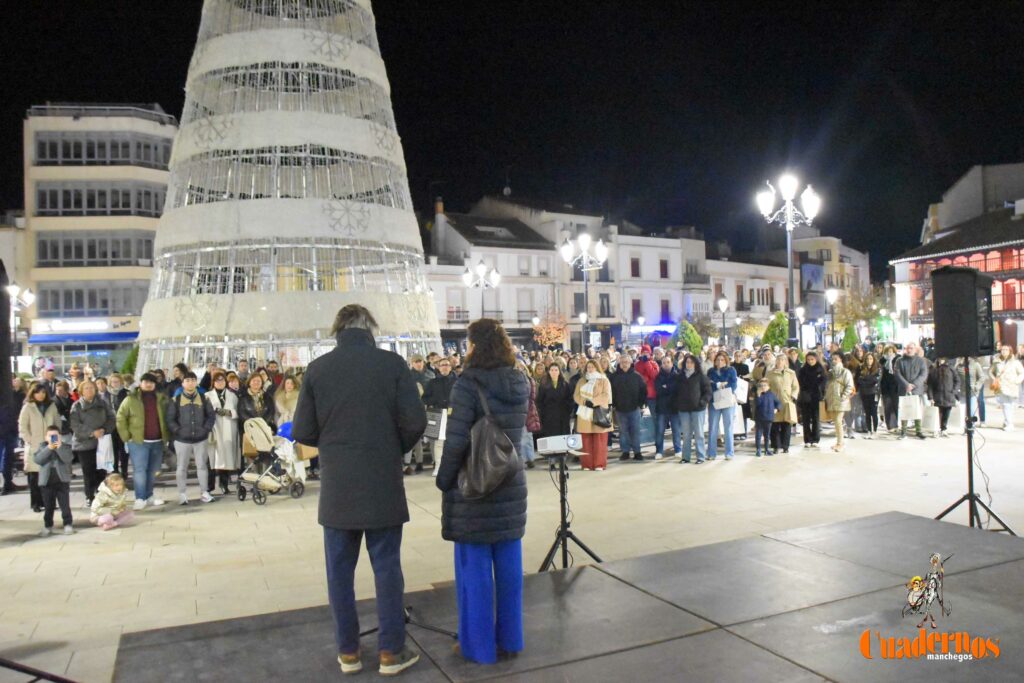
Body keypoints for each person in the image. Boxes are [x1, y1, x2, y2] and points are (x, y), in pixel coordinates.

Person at [292, 304, 425, 676]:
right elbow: (415, 421)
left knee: (339, 572)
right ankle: (391, 653)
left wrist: (334, 444)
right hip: (382, 480)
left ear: (337, 330)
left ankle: (348, 652)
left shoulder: (318, 370)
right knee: (386, 568)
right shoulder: (392, 365)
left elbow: (303, 430)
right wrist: (390, 447)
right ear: (371, 329)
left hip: (338, 487)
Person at [435, 318, 527, 665]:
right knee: (509, 569)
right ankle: (510, 640)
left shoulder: (467, 385)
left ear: (475, 346)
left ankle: (478, 647)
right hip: (510, 482)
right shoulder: (520, 381)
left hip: (474, 488)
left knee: (474, 573)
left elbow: (457, 442)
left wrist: (444, 479)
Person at [116, 373, 170, 510]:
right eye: (146, 381)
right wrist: (126, 437)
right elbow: (121, 417)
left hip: (157, 440)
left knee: (152, 471)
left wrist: (167, 436)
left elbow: (168, 417)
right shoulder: (131, 399)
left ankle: (149, 495)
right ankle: (140, 497)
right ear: (140, 383)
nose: (149, 384)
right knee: (140, 470)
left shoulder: (161, 399)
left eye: (152, 382)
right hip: (138, 441)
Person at [167, 371, 217, 505]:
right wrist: (178, 431)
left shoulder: (204, 398)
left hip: (201, 438)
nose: (190, 383)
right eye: (187, 380)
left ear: (196, 382)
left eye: (193, 380)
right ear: (183, 384)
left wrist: (205, 429)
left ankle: (204, 492)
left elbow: (211, 416)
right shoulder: (176, 400)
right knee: (181, 467)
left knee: (202, 466)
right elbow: (170, 419)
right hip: (182, 439)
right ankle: (182, 494)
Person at [69, 380, 117, 508]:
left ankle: (101, 494)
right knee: (88, 472)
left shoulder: (102, 403)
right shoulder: (77, 406)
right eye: (86, 388)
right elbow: (75, 425)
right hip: (84, 444)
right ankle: (89, 496)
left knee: (101, 471)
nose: (89, 390)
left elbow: (112, 418)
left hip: (102, 442)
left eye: (91, 388)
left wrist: (104, 430)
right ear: (81, 391)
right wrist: (91, 433)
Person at [19, 383, 59, 512]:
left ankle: (50, 502)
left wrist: (54, 441)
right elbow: (22, 427)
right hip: (34, 446)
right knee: (34, 476)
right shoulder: (28, 407)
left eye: (43, 392)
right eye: (38, 392)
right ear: (33, 393)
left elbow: (57, 423)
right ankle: (36, 503)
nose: (40, 395)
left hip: (49, 445)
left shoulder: (51, 406)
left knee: (50, 476)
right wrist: (29, 440)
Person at [34, 425, 74, 536]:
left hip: (62, 480)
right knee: (48, 506)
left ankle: (68, 524)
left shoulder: (65, 446)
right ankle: (48, 526)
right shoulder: (42, 447)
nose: (53, 438)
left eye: (55, 436)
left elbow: (68, 458)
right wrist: (49, 448)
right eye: (50, 436)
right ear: (46, 437)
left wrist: (59, 447)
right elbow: (38, 459)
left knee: (65, 505)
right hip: (46, 481)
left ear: (60, 436)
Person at [573, 360, 612, 471]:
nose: (590, 369)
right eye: (588, 367)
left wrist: (593, 402)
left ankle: (599, 464)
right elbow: (576, 395)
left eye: (592, 367)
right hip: (584, 413)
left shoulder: (604, 380)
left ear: (597, 368)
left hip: (598, 411)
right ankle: (586, 464)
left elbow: (606, 395)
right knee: (585, 440)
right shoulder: (581, 380)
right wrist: (584, 402)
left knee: (599, 440)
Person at [422, 357, 458, 476]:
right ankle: (438, 466)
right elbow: (425, 398)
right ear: (438, 367)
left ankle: (455, 466)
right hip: (438, 413)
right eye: (442, 365)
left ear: (450, 366)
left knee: (454, 441)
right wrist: (436, 400)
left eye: (447, 365)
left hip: (454, 414)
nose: (445, 367)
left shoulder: (457, 381)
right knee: (439, 443)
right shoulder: (432, 382)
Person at [609, 353, 648, 462]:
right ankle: (625, 452)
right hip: (620, 409)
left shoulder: (637, 376)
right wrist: (614, 405)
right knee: (623, 432)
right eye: (622, 362)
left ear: (630, 363)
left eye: (626, 362)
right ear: (619, 364)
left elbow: (643, 391)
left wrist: (641, 404)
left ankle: (637, 452)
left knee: (635, 431)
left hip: (634, 409)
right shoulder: (614, 377)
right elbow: (611, 392)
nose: (624, 364)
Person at [206, 372, 240, 495]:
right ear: (213, 382)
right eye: (217, 380)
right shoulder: (207, 396)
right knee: (212, 459)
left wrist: (229, 412)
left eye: (222, 380)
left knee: (226, 458)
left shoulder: (232, 396)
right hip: (214, 430)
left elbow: (238, 411)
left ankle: (224, 484)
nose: (220, 382)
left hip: (229, 429)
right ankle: (209, 487)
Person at [675, 354, 711, 464]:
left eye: (691, 362)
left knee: (699, 433)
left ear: (695, 364)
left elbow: (708, 392)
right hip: (684, 410)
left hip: (698, 409)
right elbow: (675, 392)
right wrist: (678, 403)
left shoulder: (701, 376)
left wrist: (702, 402)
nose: (689, 364)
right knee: (686, 435)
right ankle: (686, 457)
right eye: (687, 362)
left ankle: (700, 457)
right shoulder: (680, 377)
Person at [706, 351, 738, 461]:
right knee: (713, 427)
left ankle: (729, 453)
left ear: (726, 361)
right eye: (718, 360)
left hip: (727, 401)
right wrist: (719, 384)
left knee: (728, 427)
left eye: (722, 360)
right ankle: (711, 453)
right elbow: (708, 385)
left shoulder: (731, 370)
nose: (719, 362)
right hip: (714, 401)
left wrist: (720, 385)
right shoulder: (710, 371)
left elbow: (733, 385)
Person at [894, 341, 928, 440]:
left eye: (911, 348)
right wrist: (906, 384)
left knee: (917, 411)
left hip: (916, 390)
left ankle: (918, 431)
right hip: (903, 389)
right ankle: (903, 431)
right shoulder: (900, 361)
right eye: (907, 348)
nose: (909, 350)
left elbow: (923, 374)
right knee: (904, 410)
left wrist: (914, 385)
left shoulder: (921, 361)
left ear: (915, 349)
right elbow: (897, 373)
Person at [766, 354, 799, 454]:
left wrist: (793, 396)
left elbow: (795, 386)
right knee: (775, 425)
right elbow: (766, 386)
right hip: (775, 402)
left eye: (782, 360)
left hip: (787, 402)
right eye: (778, 360)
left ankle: (785, 446)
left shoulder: (791, 373)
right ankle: (776, 446)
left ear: (785, 362)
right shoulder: (770, 374)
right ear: (775, 361)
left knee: (786, 424)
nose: (780, 361)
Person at [797, 351, 828, 447]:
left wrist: (819, 390)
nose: (810, 361)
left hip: (816, 396)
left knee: (815, 418)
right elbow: (800, 382)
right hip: (805, 396)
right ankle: (807, 439)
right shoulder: (803, 370)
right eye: (808, 359)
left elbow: (823, 382)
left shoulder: (820, 369)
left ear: (816, 359)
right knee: (806, 419)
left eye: (812, 359)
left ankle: (815, 439)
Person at [824, 353, 854, 452]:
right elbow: (828, 386)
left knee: (838, 420)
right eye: (832, 359)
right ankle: (838, 442)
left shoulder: (845, 372)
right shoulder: (831, 372)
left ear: (841, 360)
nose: (833, 361)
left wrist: (843, 396)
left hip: (841, 400)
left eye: (836, 359)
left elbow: (850, 386)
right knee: (836, 422)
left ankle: (840, 443)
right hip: (832, 399)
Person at [536, 364, 574, 441]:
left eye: (556, 370)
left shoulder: (565, 384)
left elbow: (570, 399)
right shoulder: (543, 385)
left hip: (562, 416)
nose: (554, 372)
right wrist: (543, 413)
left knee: (562, 437)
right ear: (549, 372)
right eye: (552, 370)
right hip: (548, 416)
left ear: (559, 372)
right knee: (551, 438)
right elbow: (539, 401)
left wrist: (567, 410)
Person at [989, 345, 1023, 431]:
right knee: (1005, 404)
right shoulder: (996, 362)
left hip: (1012, 386)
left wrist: (1017, 381)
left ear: (1010, 351)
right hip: (1001, 386)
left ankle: (1008, 421)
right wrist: (994, 379)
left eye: (1006, 350)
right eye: (1002, 349)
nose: (1004, 351)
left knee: (1011, 405)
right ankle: (1009, 423)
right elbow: (990, 372)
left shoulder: (1015, 362)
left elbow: (1022, 373)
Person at [652, 356, 681, 460]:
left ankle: (678, 450)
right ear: (661, 364)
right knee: (660, 431)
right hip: (662, 408)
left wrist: (666, 387)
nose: (666, 364)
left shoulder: (677, 376)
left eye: (668, 362)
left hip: (674, 407)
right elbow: (659, 390)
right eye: (664, 363)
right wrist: (669, 388)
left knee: (676, 430)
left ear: (672, 363)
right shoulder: (658, 377)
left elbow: (677, 390)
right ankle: (659, 451)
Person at [927, 358, 960, 437]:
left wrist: (954, 391)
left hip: (949, 395)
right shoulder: (934, 370)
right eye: (940, 359)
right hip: (937, 396)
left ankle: (944, 429)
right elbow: (930, 385)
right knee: (938, 414)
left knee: (946, 413)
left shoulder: (951, 369)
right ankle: (938, 429)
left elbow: (957, 381)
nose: (941, 361)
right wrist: (931, 397)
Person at [854, 352, 882, 438]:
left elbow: (876, 381)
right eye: (867, 359)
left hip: (874, 393)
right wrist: (868, 380)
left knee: (874, 412)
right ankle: (869, 430)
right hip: (864, 393)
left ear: (873, 360)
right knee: (867, 412)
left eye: (871, 359)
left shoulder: (878, 368)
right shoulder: (860, 367)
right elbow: (858, 380)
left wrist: (866, 379)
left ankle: (875, 430)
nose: (869, 361)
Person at [753, 379, 780, 457]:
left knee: (767, 435)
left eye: (765, 385)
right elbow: (757, 404)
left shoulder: (771, 394)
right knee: (758, 434)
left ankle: (766, 449)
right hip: (759, 418)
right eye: (761, 386)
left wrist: (776, 408)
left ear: (768, 386)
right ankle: (758, 449)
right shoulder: (758, 394)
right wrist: (758, 395)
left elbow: (778, 402)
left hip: (769, 417)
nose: (763, 387)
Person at [879, 344, 900, 432]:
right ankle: (890, 426)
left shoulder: (897, 359)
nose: (889, 353)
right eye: (887, 351)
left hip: (895, 386)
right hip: (885, 386)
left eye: (891, 351)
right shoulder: (882, 360)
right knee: (887, 406)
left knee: (895, 405)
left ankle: (895, 425)